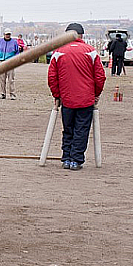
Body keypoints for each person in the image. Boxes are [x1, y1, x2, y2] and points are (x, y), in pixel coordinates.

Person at [48, 23, 106, 171]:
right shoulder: (90, 51)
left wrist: (57, 95)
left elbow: (52, 77)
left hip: (67, 99)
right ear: (82, 35)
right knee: (81, 129)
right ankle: (76, 159)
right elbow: (100, 77)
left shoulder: (58, 52)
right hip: (85, 99)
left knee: (68, 129)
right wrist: (96, 94)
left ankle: (66, 158)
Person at [0, 28, 20, 99]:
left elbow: (17, 52)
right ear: (4, 34)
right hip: (1, 61)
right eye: (7, 34)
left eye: (9, 34)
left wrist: (15, 59)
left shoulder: (14, 42)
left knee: (11, 79)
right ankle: (3, 93)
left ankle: (12, 94)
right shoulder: (0, 41)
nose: (8, 36)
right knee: (2, 79)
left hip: (10, 62)